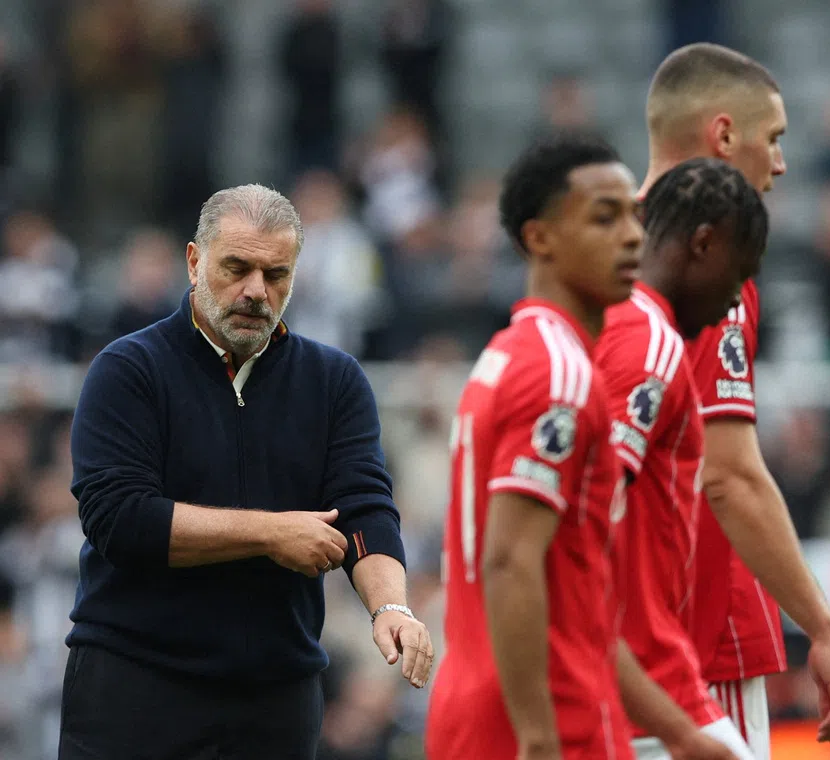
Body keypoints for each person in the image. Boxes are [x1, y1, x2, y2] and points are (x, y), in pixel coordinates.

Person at [59, 184, 433, 760]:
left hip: (276, 697)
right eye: (237, 267)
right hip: (135, 687)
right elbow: (119, 520)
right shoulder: (128, 369)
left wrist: (391, 607)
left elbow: (364, 509)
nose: (256, 291)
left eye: (276, 274)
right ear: (194, 261)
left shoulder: (334, 380)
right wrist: (271, 533)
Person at [424, 131, 736, 760]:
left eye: (633, 217)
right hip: (547, 720)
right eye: (603, 217)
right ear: (539, 238)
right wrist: (540, 742)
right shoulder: (558, 376)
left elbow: (579, 603)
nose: (631, 237)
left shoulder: (510, 354)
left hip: (480, 706)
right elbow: (510, 564)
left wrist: (678, 735)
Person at [639, 42, 830, 756]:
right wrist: (824, 630)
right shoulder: (710, 262)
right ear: (724, 135)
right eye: (775, 139)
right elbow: (728, 474)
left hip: (596, 642)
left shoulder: (584, 253)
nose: (782, 162)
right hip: (695, 639)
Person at [596, 156, 770, 760]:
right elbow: (577, 530)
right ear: (704, 245)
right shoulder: (650, 344)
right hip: (640, 686)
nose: (732, 304)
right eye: (738, 274)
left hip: (637, 682)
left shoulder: (610, 325)